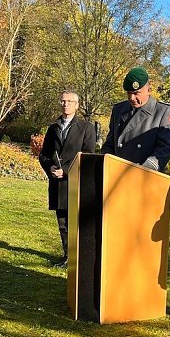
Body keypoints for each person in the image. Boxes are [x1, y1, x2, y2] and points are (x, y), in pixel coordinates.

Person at [39, 90, 96, 267]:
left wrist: (66, 171)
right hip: (57, 182)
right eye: (63, 101)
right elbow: (44, 154)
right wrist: (51, 168)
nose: (66, 104)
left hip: (76, 182)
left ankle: (80, 257)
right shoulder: (53, 128)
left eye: (70, 101)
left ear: (77, 105)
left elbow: (88, 156)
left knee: (76, 222)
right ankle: (68, 256)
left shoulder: (86, 128)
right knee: (62, 222)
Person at [101, 67, 170, 172]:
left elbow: (165, 148)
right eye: (129, 93)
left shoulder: (163, 111)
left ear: (149, 90)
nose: (131, 98)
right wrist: (107, 161)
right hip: (117, 174)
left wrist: (144, 169)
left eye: (136, 93)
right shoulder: (118, 110)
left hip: (146, 176)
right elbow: (110, 143)